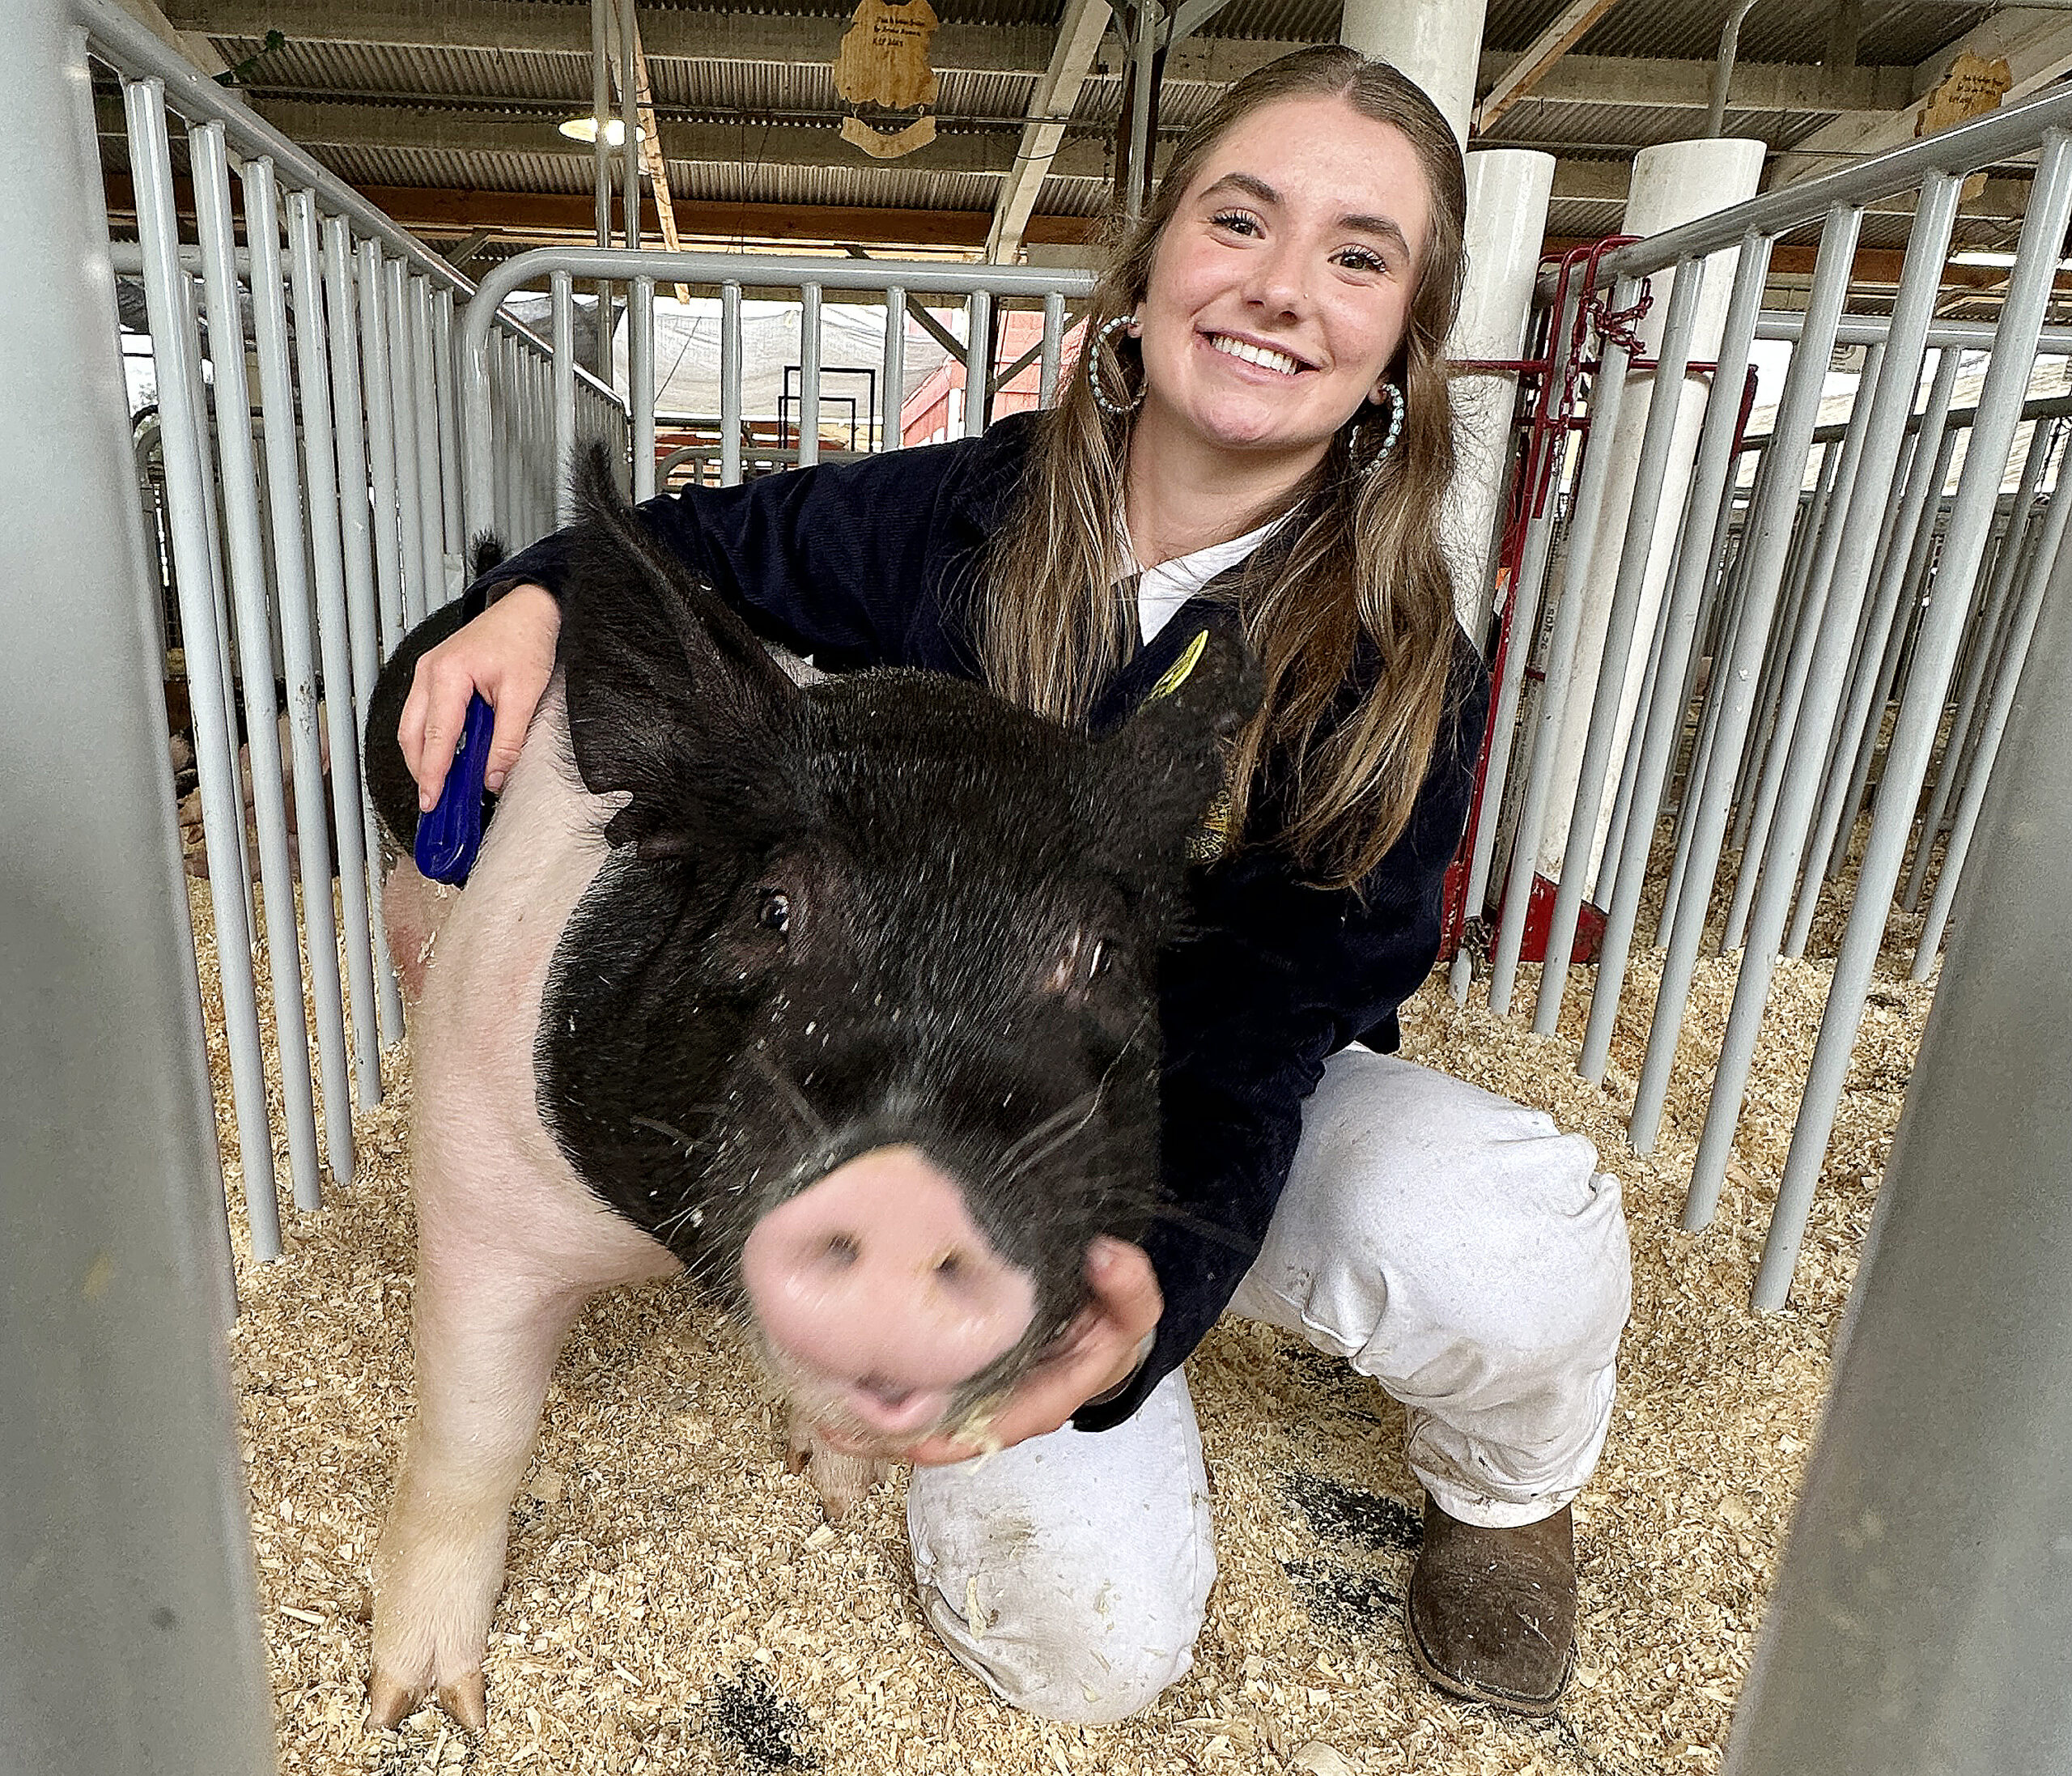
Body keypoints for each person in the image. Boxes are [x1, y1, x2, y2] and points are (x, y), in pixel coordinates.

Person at [399, 45, 1629, 1724]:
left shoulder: (1397, 671)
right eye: (1238, 220)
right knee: (1090, 1649)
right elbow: (702, 548)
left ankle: (1505, 1492)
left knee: (1501, 1232)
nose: (1279, 288)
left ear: (1400, 343)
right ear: (1145, 272)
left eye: (1356, 255)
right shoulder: (960, 515)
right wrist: (533, 597)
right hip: (902, 1107)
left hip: (1157, 1110)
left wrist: (1128, 1305)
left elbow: (1271, 1026)